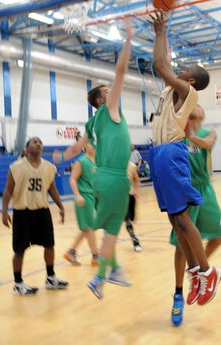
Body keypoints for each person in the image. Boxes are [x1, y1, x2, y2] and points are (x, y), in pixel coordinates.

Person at [148, 11, 221, 309]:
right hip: (158, 154)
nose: (180, 67)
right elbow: (164, 62)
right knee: (174, 220)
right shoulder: (172, 88)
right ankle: (195, 272)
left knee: (181, 217)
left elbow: (159, 65)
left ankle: (208, 271)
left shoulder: (185, 89)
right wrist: (162, 32)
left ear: (191, 79)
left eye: (186, 67)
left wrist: (160, 30)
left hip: (171, 152)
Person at [53, 22, 133, 300]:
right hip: (113, 177)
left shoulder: (91, 122)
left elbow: (77, 146)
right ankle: (106, 273)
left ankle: (106, 275)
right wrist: (128, 40)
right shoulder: (109, 109)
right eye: (107, 89)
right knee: (108, 229)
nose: (112, 90)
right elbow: (121, 71)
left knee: (111, 229)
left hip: (104, 178)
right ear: (102, 98)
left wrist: (60, 156)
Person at [170, 104, 221, 326]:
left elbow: (207, 144)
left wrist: (190, 135)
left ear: (202, 115)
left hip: (204, 188)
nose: (195, 107)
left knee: (220, 235)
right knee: (180, 245)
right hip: (184, 189)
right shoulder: (175, 136)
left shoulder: (207, 133)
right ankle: (178, 295)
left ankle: (198, 273)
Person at [2, 137, 69, 296]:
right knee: (19, 250)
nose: (38, 144)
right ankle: (18, 283)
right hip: (22, 213)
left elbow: (52, 189)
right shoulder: (16, 167)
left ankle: (50, 278)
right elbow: (8, 190)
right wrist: (4, 211)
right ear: (26, 148)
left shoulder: (49, 167)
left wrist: (60, 206)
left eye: (40, 142)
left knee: (49, 245)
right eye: (34, 142)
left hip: (42, 212)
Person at [63, 143, 99, 266]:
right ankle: (96, 256)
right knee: (89, 227)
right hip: (83, 197)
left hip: (93, 196)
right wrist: (77, 195)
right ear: (85, 146)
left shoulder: (96, 161)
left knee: (86, 227)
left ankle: (71, 252)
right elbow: (72, 179)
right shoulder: (81, 161)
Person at [125, 161, 142, 252]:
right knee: (127, 220)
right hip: (119, 198)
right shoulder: (113, 165)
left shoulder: (131, 166)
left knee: (132, 218)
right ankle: (135, 241)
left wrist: (136, 190)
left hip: (130, 196)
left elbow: (136, 179)